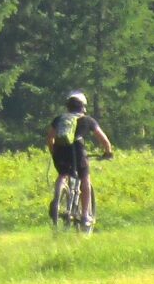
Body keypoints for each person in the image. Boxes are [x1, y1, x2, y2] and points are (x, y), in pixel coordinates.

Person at [45, 92, 115, 231]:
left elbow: (50, 138)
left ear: (68, 107)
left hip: (60, 150)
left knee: (63, 173)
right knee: (85, 179)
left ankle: (58, 196)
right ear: (83, 106)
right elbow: (103, 140)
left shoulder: (59, 119)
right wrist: (108, 152)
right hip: (77, 150)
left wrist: (54, 152)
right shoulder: (87, 120)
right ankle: (85, 215)